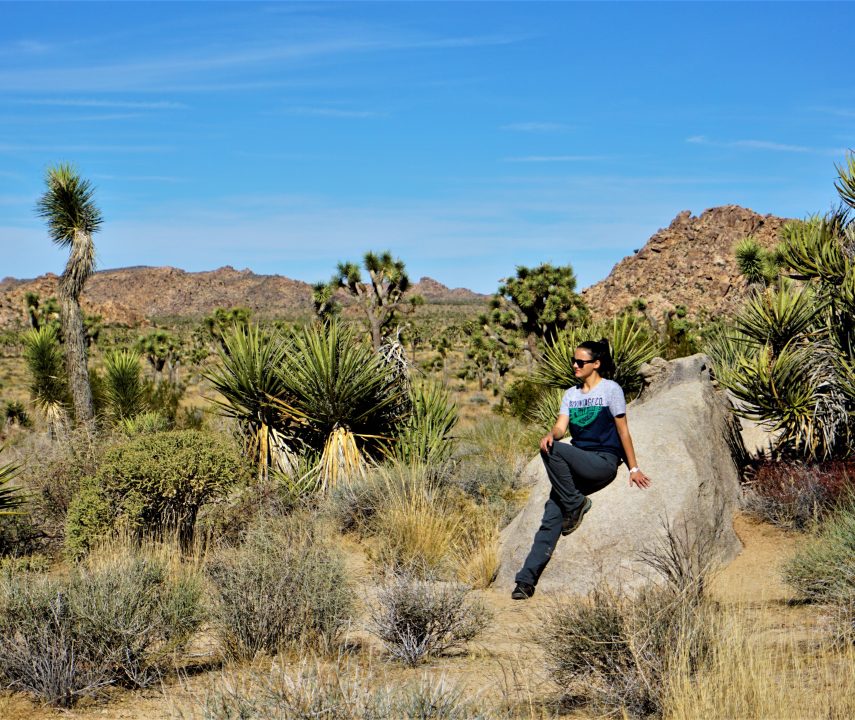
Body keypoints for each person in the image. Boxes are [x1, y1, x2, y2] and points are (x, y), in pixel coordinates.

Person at [511, 338, 651, 600]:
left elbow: (623, 431)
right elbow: (560, 427)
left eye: (580, 362)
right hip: (576, 466)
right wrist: (551, 434)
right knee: (550, 517)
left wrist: (634, 468)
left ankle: (576, 503)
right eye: (573, 361)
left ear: (596, 364)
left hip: (602, 462)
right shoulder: (571, 394)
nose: (575, 365)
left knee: (554, 450)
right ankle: (526, 581)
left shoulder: (611, 390)